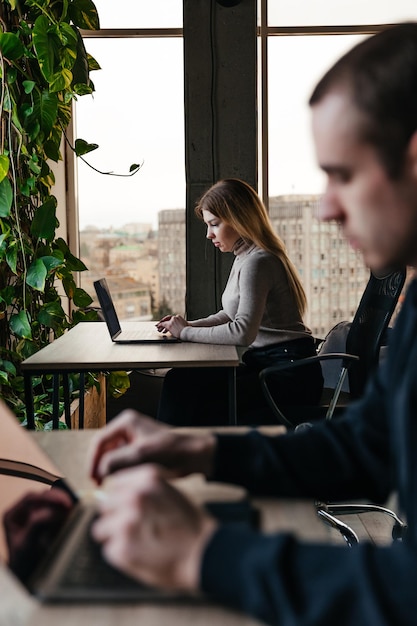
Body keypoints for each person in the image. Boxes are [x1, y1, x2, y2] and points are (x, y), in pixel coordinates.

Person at [89, 22, 417, 626]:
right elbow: (367, 448)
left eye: (342, 174)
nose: (323, 207)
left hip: (281, 369)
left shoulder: (260, 258)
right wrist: (204, 450)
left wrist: (201, 553)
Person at [155, 178, 323, 425]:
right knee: (180, 381)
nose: (208, 234)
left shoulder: (258, 262)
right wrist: (186, 326)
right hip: (268, 366)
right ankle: (168, 456)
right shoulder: (245, 256)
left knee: (199, 399)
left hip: (287, 374)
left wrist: (187, 332)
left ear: (238, 219)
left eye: (214, 224)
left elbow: (242, 332)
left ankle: (171, 457)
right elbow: (229, 315)